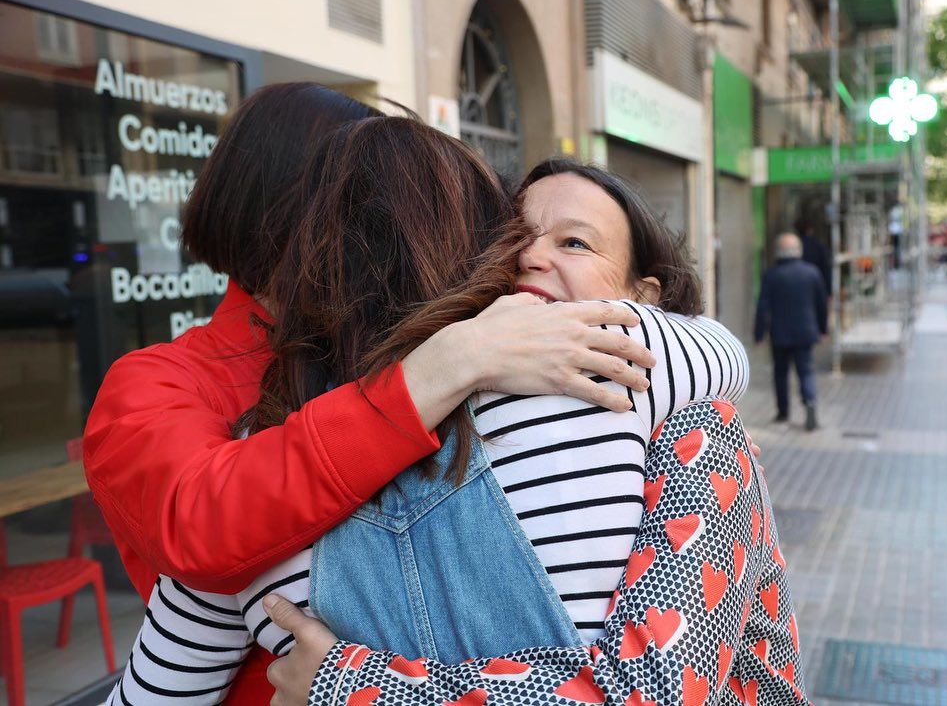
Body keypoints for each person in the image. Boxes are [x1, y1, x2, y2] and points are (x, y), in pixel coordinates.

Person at [107, 120, 806, 705]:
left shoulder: (667, 403)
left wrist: (349, 687)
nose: (532, 257)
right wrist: (453, 360)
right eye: (513, 237)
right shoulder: (673, 402)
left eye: (574, 242)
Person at [755, 233, 828, 431]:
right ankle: (810, 402)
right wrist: (823, 328)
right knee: (806, 371)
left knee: (781, 374)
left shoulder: (771, 275)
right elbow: (821, 304)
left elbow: (763, 306)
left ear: (778, 252)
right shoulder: (812, 272)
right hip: (806, 332)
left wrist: (759, 334)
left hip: (780, 334)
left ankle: (783, 412)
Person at [797, 219, 832, 298]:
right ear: (810, 230)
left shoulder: (794, 246)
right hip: (815, 286)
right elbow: (826, 267)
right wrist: (829, 290)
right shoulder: (818, 247)